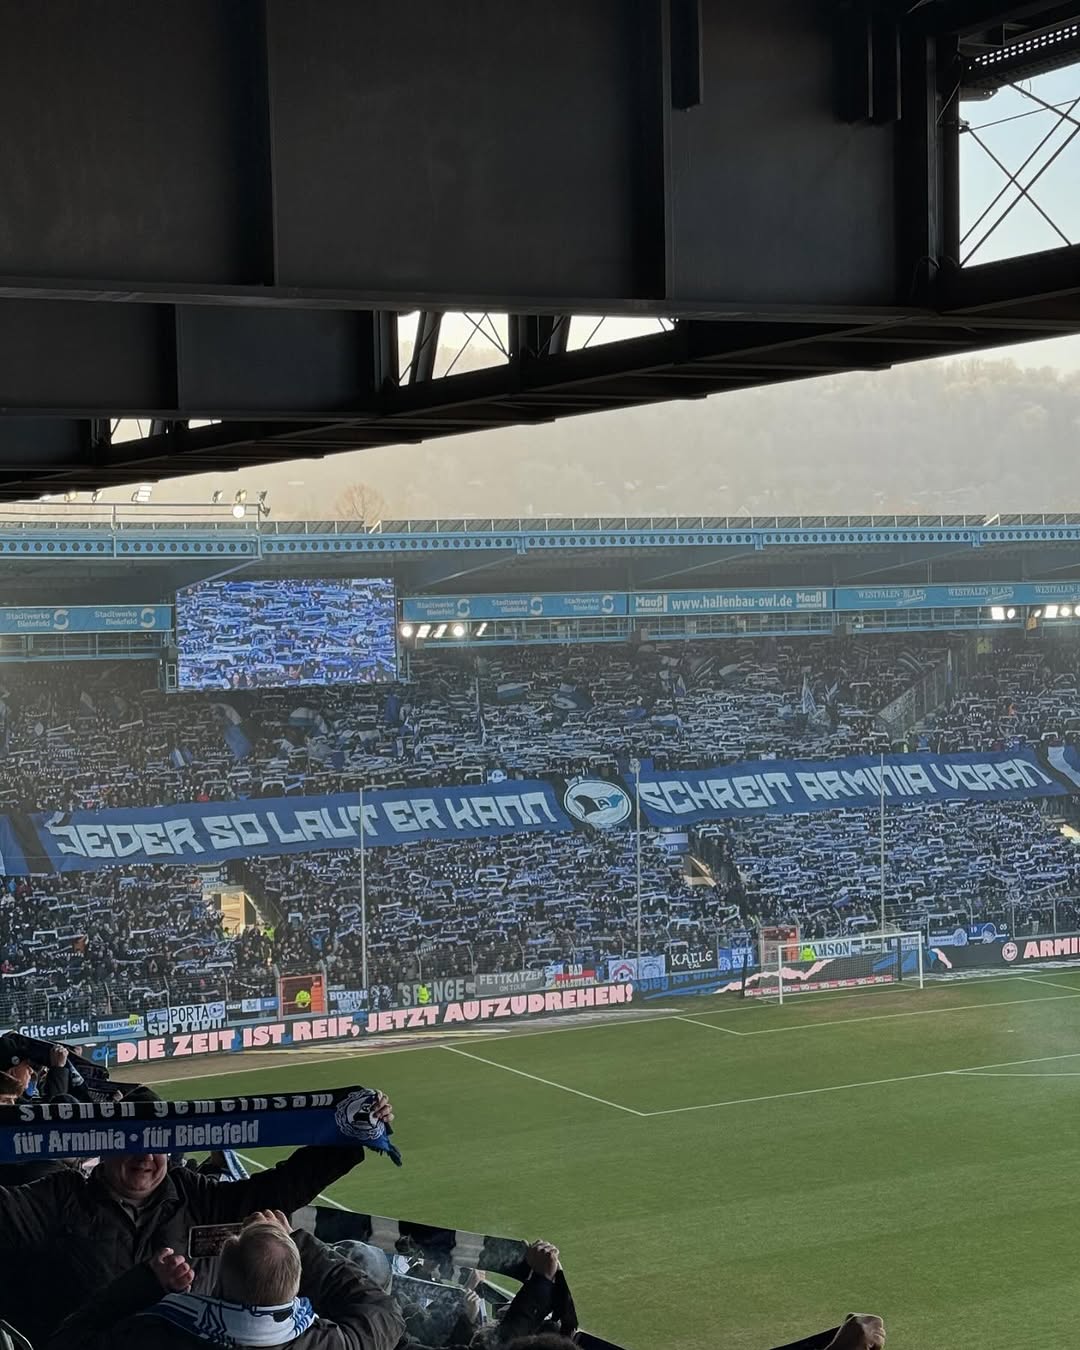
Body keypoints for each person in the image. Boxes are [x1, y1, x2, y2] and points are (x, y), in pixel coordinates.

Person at [0, 1091, 395, 1347]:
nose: (145, 1156)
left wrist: (350, 1131)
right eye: (130, 1141)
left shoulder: (196, 1194)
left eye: (157, 1144)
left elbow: (280, 1189)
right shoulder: (60, 1197)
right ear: (103, 1145)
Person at [48, 1209, 404, 1350]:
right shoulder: (331, 1343)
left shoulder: (156, 1334)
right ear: (298, 1285)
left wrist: (146, 1283)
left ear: (218, 1282)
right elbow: (382, 1311)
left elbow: (67, 1341)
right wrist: (298, 1244)